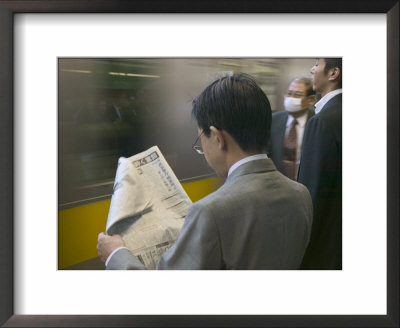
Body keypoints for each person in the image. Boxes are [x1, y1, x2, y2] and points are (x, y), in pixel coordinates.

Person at [97, 73, 313, 270]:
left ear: (218, 138)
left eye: (201, 140)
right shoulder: (301, 195)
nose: (203, 151)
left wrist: (116, 254)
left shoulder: (210, 212)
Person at [297, 58, 342, 270]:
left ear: (333, 73)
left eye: (317, 64)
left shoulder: (322, 121)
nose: (312, 69)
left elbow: (312, 195)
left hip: (324, 252)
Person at [268, 77, 316, 180]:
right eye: (289, 93)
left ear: (311, 100)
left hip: (305, 184)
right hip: (277, 183)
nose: (291, 98)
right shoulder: (274, 120)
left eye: (297, 95)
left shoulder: (317, 122)